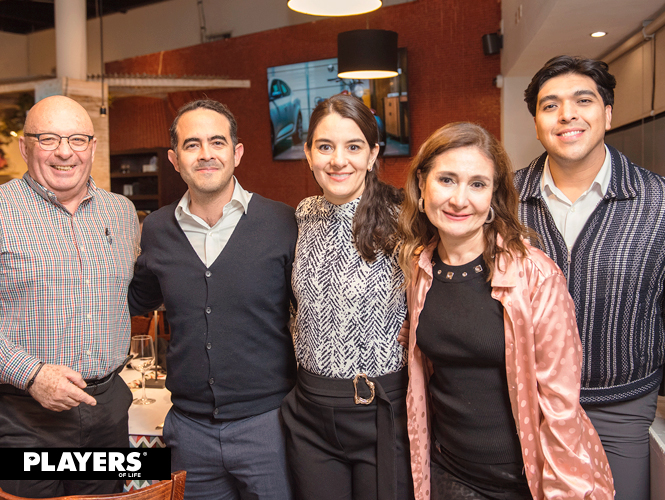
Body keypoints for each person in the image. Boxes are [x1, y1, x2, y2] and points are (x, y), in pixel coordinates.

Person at [398, 122, 614, 500]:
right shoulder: (418, 267)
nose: (459, 199)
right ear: (422, 184)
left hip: (528, 479)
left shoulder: (536, 274)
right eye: (446, 180)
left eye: (478, 184)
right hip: (450, 473)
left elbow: (560, 408)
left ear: (494, 195)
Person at [128, 99, 297, 500]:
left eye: (217, 142)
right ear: (174, 159)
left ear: (236, 153)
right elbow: (134, 300)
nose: (206, 154)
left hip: (269, 426)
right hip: (189, 433)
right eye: (192, 145)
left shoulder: (283, 222)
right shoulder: (156, 229)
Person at [515, 55, 665, 500]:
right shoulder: (504, 200)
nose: (567, 115)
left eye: (584, 100)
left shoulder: (657, 201)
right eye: (550, 105)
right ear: (537, 122)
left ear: (608, 113)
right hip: (525, 406)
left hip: (619, 408)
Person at [0, 95, 140, 497]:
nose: (65, 151)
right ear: (25, 146)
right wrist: (31, 374)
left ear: (92, 147)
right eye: (48, 139)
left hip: (107, 411)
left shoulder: (121, 212)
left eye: (78, 139)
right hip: (22, 417)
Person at [280, 93, 412, 500]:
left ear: (373, 154)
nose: (338, 160)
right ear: (308, 154)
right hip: (310, 413)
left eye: (353, 147)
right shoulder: (301, 215)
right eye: (325, 147)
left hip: (381, 410)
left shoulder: (406, 217)